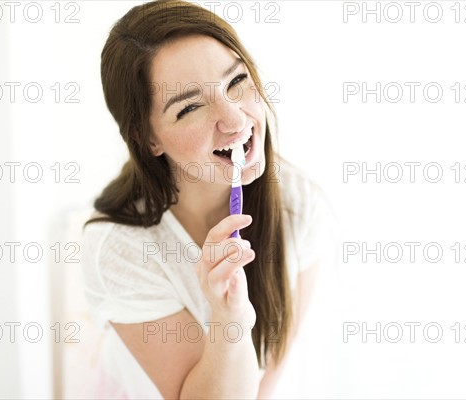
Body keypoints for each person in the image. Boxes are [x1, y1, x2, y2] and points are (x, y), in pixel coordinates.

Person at [81, 0, 336, 398]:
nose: (235, 121)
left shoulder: (300, 206)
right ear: (148, 140)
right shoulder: (119, 249)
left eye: (236, 82)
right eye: (191, 107)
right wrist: (227, 318)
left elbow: (262, 385)